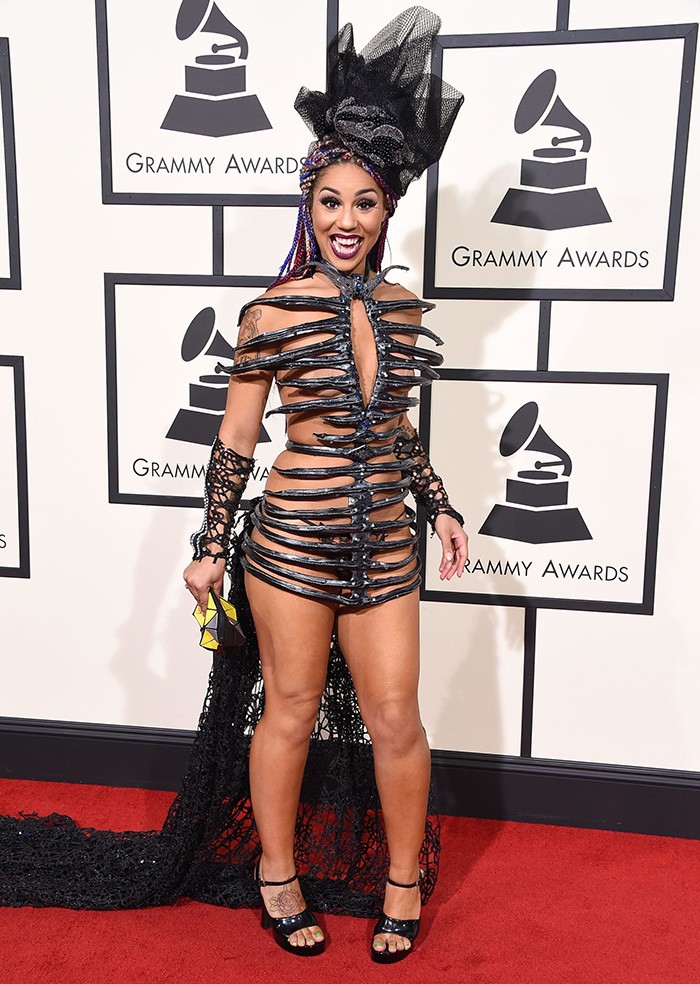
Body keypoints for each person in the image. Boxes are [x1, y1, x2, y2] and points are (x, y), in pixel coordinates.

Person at [183, 6, 467, 964]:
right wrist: (210, 546)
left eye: (366, 203)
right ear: (308, 206)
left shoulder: (401, 306)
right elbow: (233, 440)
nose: (347, 221)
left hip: (385, 540)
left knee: (397, 718)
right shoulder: (268, 313)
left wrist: (439, 503)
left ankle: (401, 880)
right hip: (292, 540)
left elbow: (397, 433)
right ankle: (277, 873)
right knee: (291, 710)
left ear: (388, 211)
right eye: (331, 202)